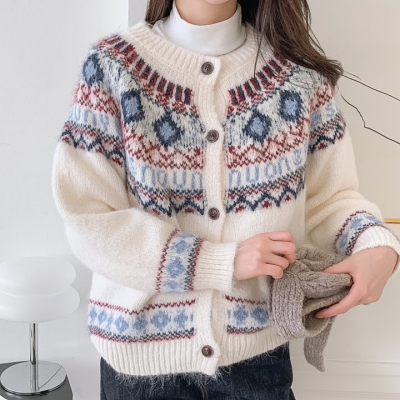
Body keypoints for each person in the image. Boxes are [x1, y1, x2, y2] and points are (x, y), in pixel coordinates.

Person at [51, 0, 400, 398]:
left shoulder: (300, 77)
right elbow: (89, 218)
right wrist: (219, 261)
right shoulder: (112, 68)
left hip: (259, 359)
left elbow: (329, 201)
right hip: (139, 360)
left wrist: (377, 245)